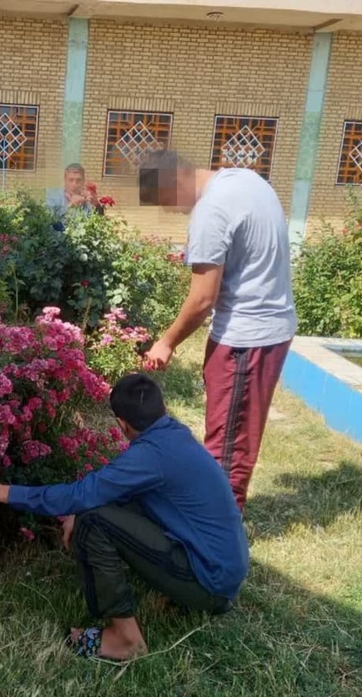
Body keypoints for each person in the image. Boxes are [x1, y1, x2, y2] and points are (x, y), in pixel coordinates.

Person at [0, 374, 249, 662]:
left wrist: (2, 491)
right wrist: (81, 508)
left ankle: (125, 640)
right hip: (223, 575)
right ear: (160, 407)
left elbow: (82, 494)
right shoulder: (172, 435)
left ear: (122, 424)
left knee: (93, 521)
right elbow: (121, 493)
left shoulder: (151, 454)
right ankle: (176, 595)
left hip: (210, 584)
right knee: (92, 510)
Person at [138, 149, 297, 513]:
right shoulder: (246, 179)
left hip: (247, 336)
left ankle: (218, 536)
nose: (172, 212)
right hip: (268, 327)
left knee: (228, 444)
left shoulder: (211, 210)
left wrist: (166, 342)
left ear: (175, 179)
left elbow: (202, 299)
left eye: (166, 202)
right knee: (230, 435)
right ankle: (214, 518)